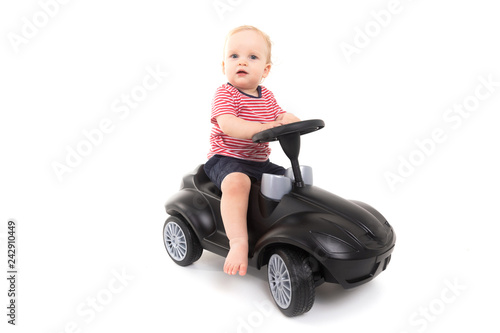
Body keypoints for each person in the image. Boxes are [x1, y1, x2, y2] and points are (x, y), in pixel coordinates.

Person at [204, 25, 299, 276]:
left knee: (291, 179)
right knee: (237, 183)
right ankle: (237, 242)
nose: (242, 61)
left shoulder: (266, 96)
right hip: (226, 159)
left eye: (252, 57)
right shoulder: (226, 94)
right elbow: (229, 124)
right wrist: (265, 126)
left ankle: (288, 225)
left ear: (265, 70)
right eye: (234, 56)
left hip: (259, 162)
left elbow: (278, 115)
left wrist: (288, 118)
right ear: (224, 66)